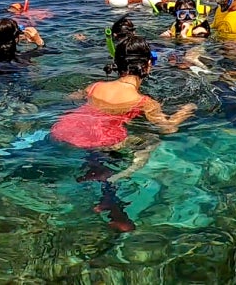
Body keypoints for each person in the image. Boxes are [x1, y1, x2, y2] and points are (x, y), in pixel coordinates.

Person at [51, 35, 196, 229]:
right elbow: (168, 128)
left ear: (117, 64)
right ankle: (113, 198)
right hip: (105, 138)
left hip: (67, 127)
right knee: (150, 142)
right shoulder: (144, 101)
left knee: (95, 150)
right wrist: (186, 111)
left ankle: (95, 173)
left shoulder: (95, 86)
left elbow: (70, 99)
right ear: (147, 67)